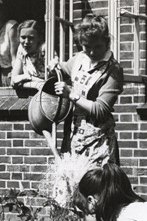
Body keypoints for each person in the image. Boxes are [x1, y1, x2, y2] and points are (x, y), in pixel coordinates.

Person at [53, 14, 124, 166]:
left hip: (98, 141)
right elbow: (63, 70)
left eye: (97, 47)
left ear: (107, 42)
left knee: (96, 185)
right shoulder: (79, 59)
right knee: (72, 184)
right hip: (73, 135)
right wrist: (55, 66)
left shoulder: (113, 70)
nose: (92, 52)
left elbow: (101, 109)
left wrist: (72, 94)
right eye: (87, 47)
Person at [11, 19, 47, 90]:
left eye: (31, 38)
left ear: (39, 38)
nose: (26, 42)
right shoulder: (21, 48)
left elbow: (48, 85)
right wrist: (32, 81)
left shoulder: (45, 49)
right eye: (23, 37)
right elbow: (14, 81)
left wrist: (24, 79)